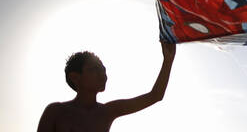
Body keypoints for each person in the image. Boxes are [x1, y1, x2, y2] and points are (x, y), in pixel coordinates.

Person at [37, 41, 176, 132]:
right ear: (75, 77)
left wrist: (168, 60)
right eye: (94, 69)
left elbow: (155, 95)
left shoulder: (107, 111)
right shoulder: (56, 111)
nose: (103, 74)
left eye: (103, 69)